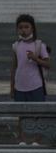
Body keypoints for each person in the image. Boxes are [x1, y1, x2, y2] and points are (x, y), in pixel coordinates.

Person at [11, 14, 50, 145]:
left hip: (36, 84)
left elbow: (47, 64)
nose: (23, 30)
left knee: (38, 113)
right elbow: (14, 67)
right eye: (20, 27)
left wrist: (35, 58)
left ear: (32, 28)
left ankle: (37, 138)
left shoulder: (39, 45)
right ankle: (22, 137)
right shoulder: (16, 46)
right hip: (20, 85)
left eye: (26, 27)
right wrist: (12, 87)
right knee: (21, 114)